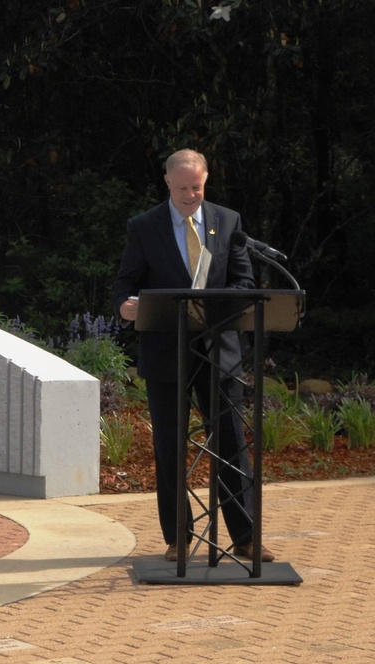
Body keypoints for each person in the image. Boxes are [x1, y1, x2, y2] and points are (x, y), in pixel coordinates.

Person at [111, 148, 275, 563]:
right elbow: (125, 284)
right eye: (182, 188)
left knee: (233, 445)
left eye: (197, 188)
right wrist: (126, 307)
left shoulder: (228, 222)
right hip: (167, 352)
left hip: (219, 352)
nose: (190, 195)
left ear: (206, 181)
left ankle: (246, 537)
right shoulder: (144, 227)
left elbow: (243, 282)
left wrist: (218, 306)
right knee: (170, 447)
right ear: (167, 182)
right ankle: (178, 538)